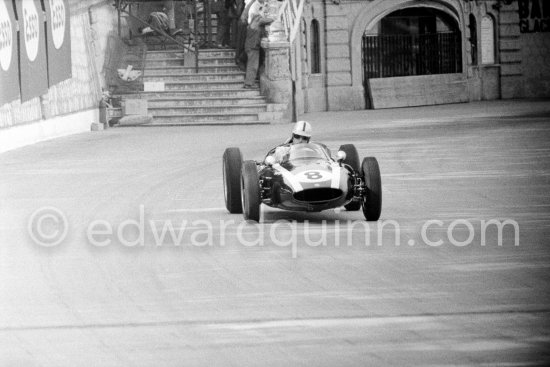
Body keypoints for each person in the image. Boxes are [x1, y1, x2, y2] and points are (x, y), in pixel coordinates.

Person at [243, 0, 273, 88]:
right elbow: (269, 20)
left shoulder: (253, 20)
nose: (264, 13)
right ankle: (248, 83)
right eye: (263, 11)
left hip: (251, 45)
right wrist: (274, 17)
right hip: (252, 46)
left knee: (252, 64)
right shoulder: (258, 19)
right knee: (253, 65)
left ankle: (250, 82)